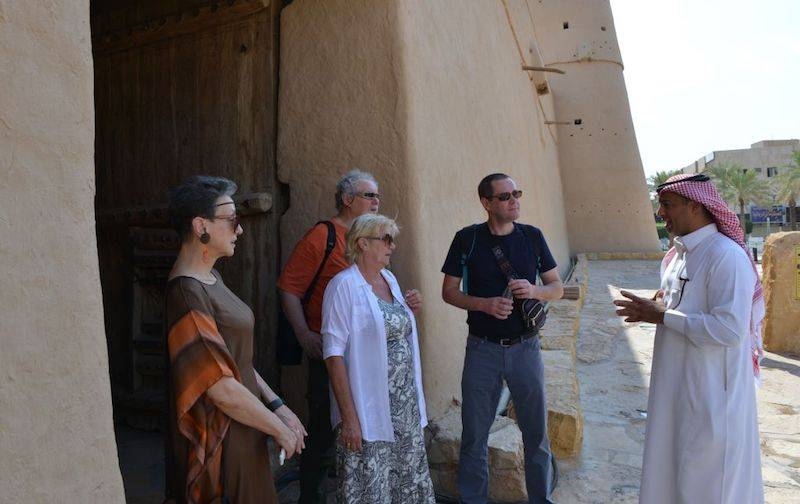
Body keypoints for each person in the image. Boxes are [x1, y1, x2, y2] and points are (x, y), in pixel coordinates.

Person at [613, 173, 764, 504]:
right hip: (676, 391)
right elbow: (684, 309)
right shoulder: (678, 256)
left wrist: (663, 315)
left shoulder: (726, 255)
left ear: (696, 205)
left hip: (711, 398)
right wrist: (662, 308)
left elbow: (729, 329)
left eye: (666, 205)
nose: (660, 213)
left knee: (708, 483)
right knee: (673, 474)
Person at [164, 175, 307, 504]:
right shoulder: (187, 294)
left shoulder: (212, 276)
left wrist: (277, 406)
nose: (240, 230)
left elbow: (235, 360)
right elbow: (219, 387)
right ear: (202, 226)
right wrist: (278, 428)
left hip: (245, 423)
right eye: (232, 221)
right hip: (222, 438)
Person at [441, 173, 563, 504]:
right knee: (474, 436)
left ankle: (541, 500)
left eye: (516, 193)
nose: (514, 201)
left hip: (526, 348)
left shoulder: (532, 237)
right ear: (487, 203)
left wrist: (535, 289)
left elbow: (557, 286)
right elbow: (448, 292)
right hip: (482, 349)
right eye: (506, 196)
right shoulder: (467, 240)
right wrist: (484, 304)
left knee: (536, 435)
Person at [277, 169, 380, 503]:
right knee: (322, 430)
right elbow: (289, 288)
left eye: (378, 195)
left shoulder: (373, 238)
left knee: (362, 424)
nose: (376, 201)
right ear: (347, 199)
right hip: (329, 350)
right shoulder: (324, 236)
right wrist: (304, 333)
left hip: (364, 353)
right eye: (369, 195)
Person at [321, 214, 433, 503]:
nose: (392, 246)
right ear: (362, 243)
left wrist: (410, 309)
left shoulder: (389, 279)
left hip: (404, 411)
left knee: (406, 485)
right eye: (386, 239)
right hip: (368, 413)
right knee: (372, 488)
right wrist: (349, 419)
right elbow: (332, 355)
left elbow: (388, 328)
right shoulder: (342, 286)